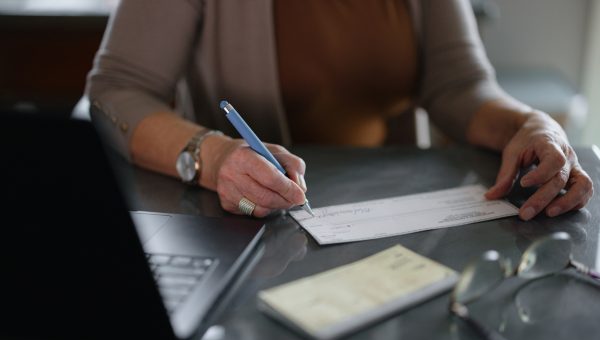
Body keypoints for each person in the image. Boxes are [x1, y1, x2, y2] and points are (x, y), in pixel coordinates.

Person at [86, 0, 593, 219]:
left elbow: (457, 83)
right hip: (241, 220)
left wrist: (532, 124)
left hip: (387, 219)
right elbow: (116, 91)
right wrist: (214, 157)